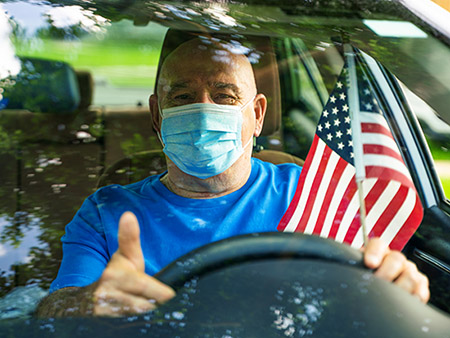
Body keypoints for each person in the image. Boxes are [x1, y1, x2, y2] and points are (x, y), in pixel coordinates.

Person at [36, 37, 429, 317]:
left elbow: (355, 296)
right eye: (183, 97)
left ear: (257, 115)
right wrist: (91, 302)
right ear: (157, 116)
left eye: (224, 96)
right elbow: (55, 307)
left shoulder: (315, 195)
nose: (203, 112)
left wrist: (395, 290)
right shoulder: (107, 212)